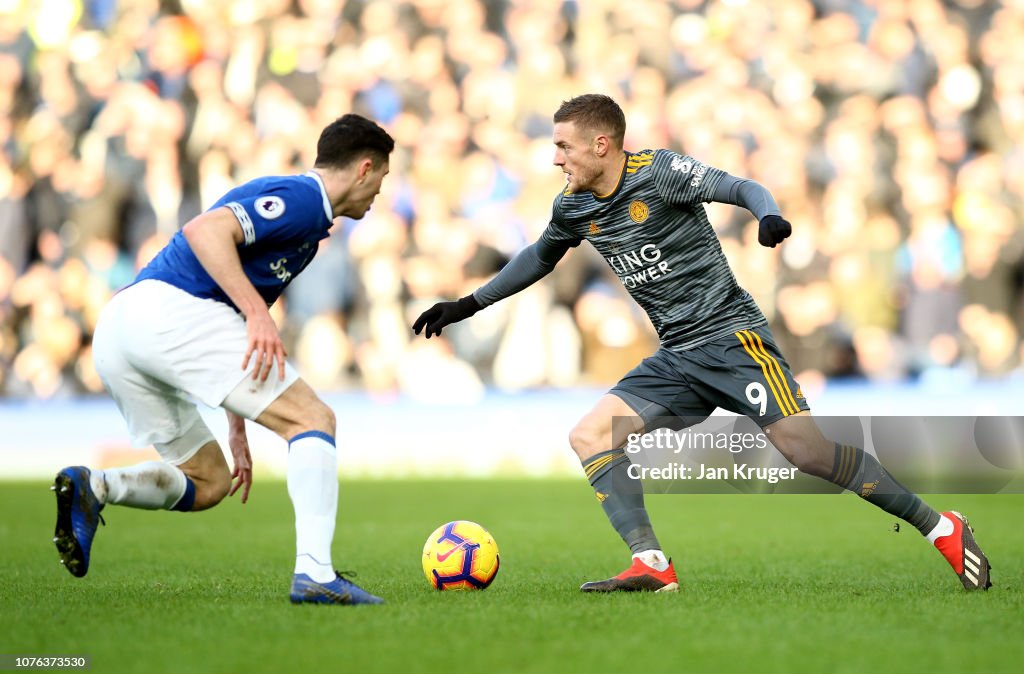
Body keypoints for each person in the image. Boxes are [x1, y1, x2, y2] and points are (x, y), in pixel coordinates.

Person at [413, 94, 991, 593]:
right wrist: (467, 304)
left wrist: (767, 215)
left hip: (732, 338)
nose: (555, 158)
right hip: (677, 357)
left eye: (564, 146)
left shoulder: (658, 172)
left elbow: (740, 186)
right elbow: (539, 257)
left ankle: (941, 527)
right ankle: (651, 563)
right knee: (590, 433)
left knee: (808, 454)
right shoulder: (574, 206)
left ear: (601, 144)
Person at [52, 114, 394, 605]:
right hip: (169, 311)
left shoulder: (311, 229)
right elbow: (205, 230)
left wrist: (237, 423)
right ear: (364, 168)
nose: (379, 192)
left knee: (210, 481)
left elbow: (232, 312)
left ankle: (96, 487)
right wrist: (259, 313)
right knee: (313, 419)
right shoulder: (302, 199)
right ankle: (315, 573)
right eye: (381, 178)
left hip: (123, 329)